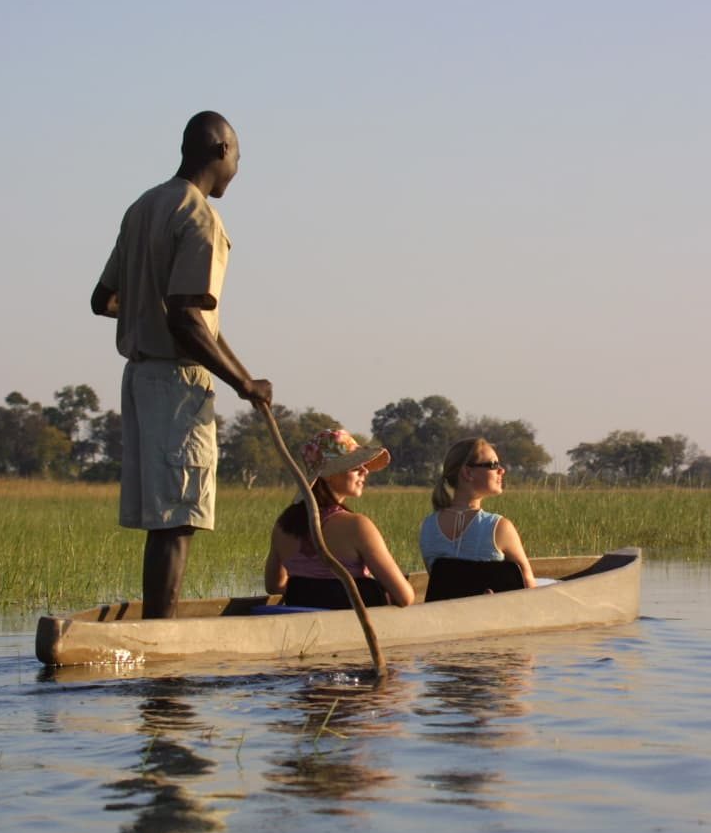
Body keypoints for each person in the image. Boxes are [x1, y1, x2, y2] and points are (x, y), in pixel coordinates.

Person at [91, 111, 272, 619]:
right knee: (179, 519)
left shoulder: (143, 206)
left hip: (140, 378)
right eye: (237, 156)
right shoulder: (199, 217)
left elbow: (104, 300)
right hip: (175, 381)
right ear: (220, 151)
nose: (237, 167)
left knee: (165, 520)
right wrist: (241, 383)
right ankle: (161, 639)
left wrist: (246, 375)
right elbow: (187, 321)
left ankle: (156, 628)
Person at [264, 428, 416, 608]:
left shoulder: (284, 525)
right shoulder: (357, 526)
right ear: (328, 476)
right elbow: (405, 597)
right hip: (353, 628)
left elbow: (274, 585)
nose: (364, 471)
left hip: (305, 625)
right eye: (355, 466)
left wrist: (311, 587)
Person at [418, 437, 540, 588]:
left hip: (448, 610)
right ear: (468, 473)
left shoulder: (427, 528)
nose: (502, 470)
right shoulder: (499, 527)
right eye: (493, 465)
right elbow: (529, 586)